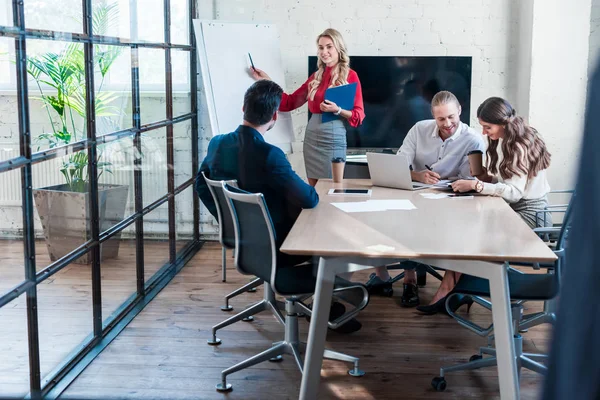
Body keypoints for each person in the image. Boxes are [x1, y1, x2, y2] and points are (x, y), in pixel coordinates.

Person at [195, 80, 361, 333]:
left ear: (243, 108)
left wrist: (228, 221)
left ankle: (324, 300)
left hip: (244, 241)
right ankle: (324, 304)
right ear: (274, 116)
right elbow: (309, 199)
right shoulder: (270, 155)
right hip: (279, 244)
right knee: (335, 233)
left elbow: (201, 185)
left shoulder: (217, 143)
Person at [417, 96, 553, 315]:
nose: (484, 132)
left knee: (473, 235)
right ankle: (453, 290)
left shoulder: (519, 145)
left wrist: (477, 185)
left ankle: (451, 290)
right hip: (517, 209)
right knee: (465, 227)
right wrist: (483, 177)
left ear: (503, 123)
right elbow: (508, 184)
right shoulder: (512, 139)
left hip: (531, 215)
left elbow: (515, 194)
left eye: (487, 127)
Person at [366, 91, 485, 307]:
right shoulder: (419, 129)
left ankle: (445, 281)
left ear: (459, 111)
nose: (447, 123)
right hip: (414, 192)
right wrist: (417, 175)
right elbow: (399, 163)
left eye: (451, 116)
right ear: (433, 116)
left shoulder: (473, 139)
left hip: (450, 198)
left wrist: (450, 182)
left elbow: (471, 180)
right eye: (441, 119)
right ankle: (407, 277)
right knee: (388, 216)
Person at [250, 28, 365, 186]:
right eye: (320, 47)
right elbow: (289, 102)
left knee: (333, 188)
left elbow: (358, 116)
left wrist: (337, 110)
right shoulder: (316, 77)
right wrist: (267, 81)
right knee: (314, 188)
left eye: (329, 46)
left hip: (333, 137)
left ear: (339, 47)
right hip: (311, 138)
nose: (324, 51)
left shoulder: (350, 76)